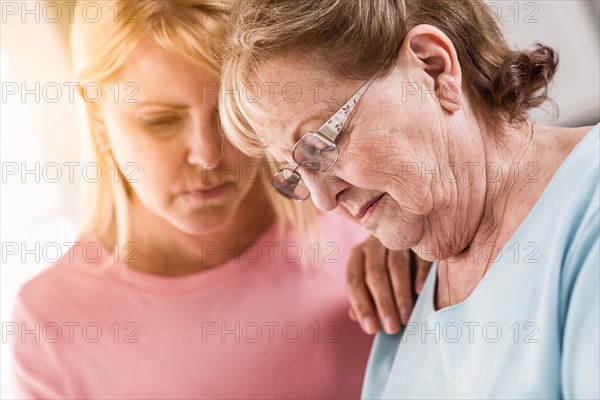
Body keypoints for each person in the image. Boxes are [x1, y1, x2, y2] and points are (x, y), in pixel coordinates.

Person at [8, 1, 430, 398]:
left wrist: (416, 249)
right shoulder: (52, 325)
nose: (208, 155)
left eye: (228, 114)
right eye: (161, 122)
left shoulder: (360, 206)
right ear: (98, 119)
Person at [219, 0, 600, 398]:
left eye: (321, 144)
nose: (323, 201)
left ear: (433, 68)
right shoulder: (404, 296)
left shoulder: (587, 206)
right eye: (296, 173)